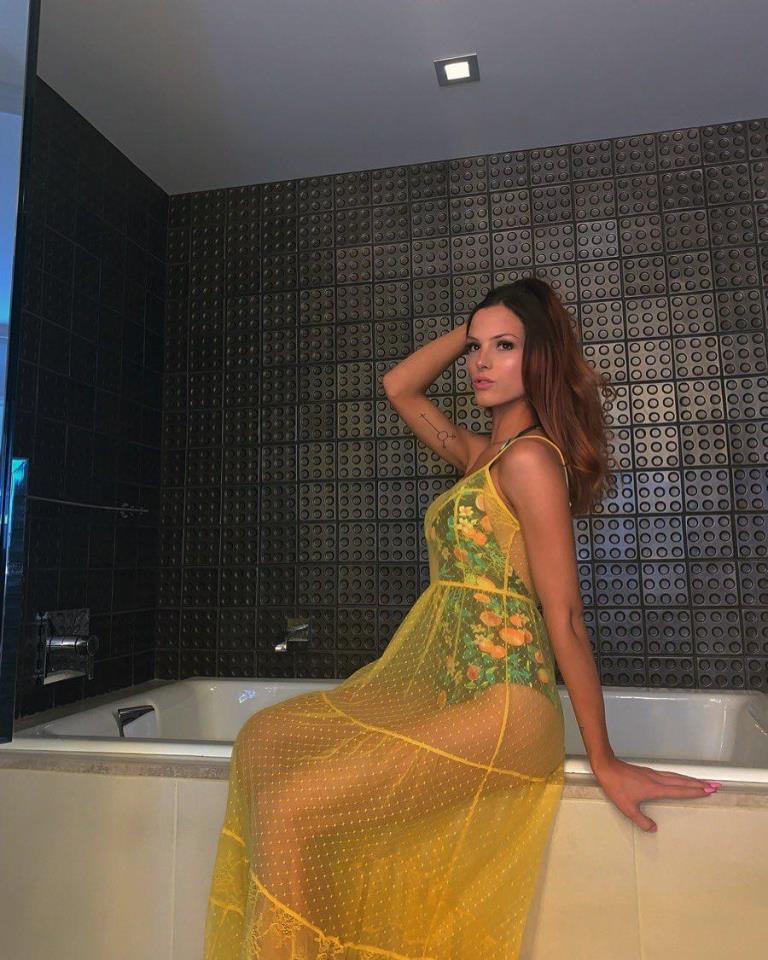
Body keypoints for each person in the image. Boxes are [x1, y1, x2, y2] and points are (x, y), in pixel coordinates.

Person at [204, 276, 720, 959]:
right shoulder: (484, 457)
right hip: (454, 690)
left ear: (540, 357)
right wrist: (478, 325)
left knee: (291, 806)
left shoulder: (530, 461)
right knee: (265, 738)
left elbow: (565, 616)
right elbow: (399, 387)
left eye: (504, 347)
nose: (480, 361)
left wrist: (602, 756)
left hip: (505, 705)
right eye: (475, 348)